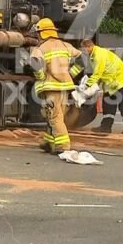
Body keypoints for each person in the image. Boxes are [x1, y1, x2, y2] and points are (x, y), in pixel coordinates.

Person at [28, 18, 82, 155]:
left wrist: (40, 77)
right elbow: (83, 59)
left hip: (51, 88)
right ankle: (48, 142)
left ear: (42, 33)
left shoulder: (41, 48)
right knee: (54, 115)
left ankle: (63, 146)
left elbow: (35, 63)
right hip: (65, 87)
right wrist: (71, 73)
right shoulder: (65, 45)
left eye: (38, 34)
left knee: (54, 116)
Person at [70, 39, 123, 134]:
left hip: (120, 80)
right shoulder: (93, 55)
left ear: (89, 46)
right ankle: (106, 127)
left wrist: (86, 85)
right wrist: (94, 84)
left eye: (84, 49)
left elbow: (97, 73)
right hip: (112, 82)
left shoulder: (98, 55)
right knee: (108, 103)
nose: (83, 52)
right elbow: (102, 73)